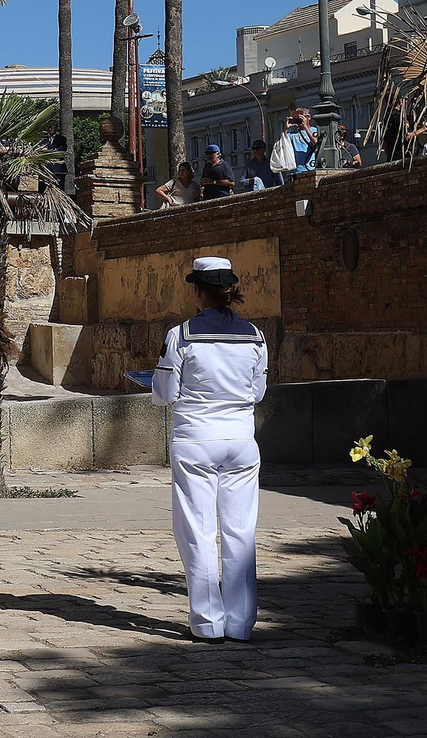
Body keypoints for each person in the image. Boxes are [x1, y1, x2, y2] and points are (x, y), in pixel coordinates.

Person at [151, 257, 268, 643]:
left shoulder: (181, 335)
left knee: (198, 532)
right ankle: (240, 624)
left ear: (198, 292)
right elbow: (257, 392)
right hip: (240, 441)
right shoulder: (255, 336)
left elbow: (166, 394)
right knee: (240, 532)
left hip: (196, 441)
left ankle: (207, 623)